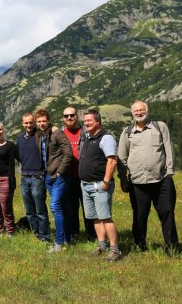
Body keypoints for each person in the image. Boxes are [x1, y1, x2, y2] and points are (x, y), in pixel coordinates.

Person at [118, 100, 179, 253]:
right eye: (136, 111)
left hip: (161, 180)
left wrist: (170, 172)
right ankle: (140, 246)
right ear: (132, 113)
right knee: (139, 217)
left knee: (167, 214)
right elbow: (121, 157)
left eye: (141, 110)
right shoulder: (127, 132)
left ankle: (172, 248)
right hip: (137, 183)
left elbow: (169, 149)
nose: (139, 113)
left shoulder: (160, 127)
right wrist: (123, 179)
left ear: (147, 110)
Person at [79, 108, 122, 262]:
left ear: (98, 121)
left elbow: (112, 161)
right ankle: (101, 245)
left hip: (100, 185)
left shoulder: (106, 138)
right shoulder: (87, 138)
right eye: (85, 121)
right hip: (86, 185)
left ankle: (115, 249)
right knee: (95, 218)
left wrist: (106, 181)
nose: (86, 123)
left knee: (105, 218)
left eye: (89, 120)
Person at [34, 108, 73, 252]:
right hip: (47, 176)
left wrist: (60, 172)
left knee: (55, 206)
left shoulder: (57, 133)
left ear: (49, 120)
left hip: (59, 176)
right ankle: (67, 238)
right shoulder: (39, 135)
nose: (42, 123)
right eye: (39, 121)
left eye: (44, 121)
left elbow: (68, 153)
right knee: (61, 206)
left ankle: (58, 243)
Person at [61, 107, 96, 242]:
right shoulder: (61, 133)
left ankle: (91, 235)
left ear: (77, 116)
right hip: (68, 177)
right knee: (71, 208)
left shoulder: (86, 132)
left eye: (71, 115)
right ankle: (74, 234)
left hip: (84, 176)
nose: (69, 118)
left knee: (88, 208)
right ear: (63, 119)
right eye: (66, 116)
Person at [17, 113, 51, 242]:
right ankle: (36, 234)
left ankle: (45, 236)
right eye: (26, 123)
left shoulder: (40, 135)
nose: (28, 125)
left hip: (38, 176)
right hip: (24, 176)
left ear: (34, 122)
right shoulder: (20, 138)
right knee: (29, 210)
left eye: (31, 122)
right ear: (22, 124)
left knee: (40, 209)